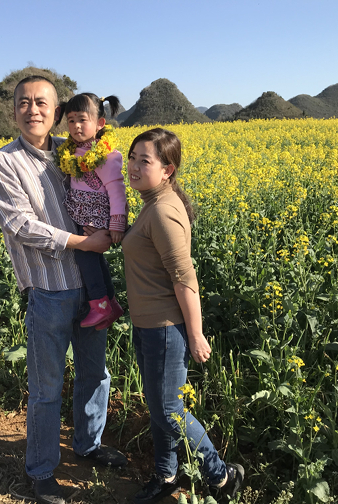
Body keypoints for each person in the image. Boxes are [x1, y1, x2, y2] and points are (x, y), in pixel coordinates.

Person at [0, 75, 127, 504]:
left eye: (42, 103)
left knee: (95, 373)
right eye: (24, 103)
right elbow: (21, 225)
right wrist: (87, 242)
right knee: (47, 387)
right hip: (50, 290)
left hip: (92, 285)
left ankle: (88, 444)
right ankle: (42, 469)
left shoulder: (74, 152)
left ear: (58, 112)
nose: (34, 110)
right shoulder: (3, 162)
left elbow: (112, 184)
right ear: (14, 112)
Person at [121, 128, 244, 504]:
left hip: (164, 329)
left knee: (170, 410)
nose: (134, 166)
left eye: (145, 160)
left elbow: (184, 277)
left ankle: (222, 475)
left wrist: (196, 334)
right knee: (160, 408)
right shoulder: (153, 202)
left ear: (168, 169)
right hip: (148, 325)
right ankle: (166, 474)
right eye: (132, 157)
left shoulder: (162, 210)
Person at [54, 92, 126, 329]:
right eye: (71, 120)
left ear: (100, 124)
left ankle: (99, 305)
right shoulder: (71, 151)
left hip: (97, 215)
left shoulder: (104, 155)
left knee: (85, 256)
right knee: (93, 258)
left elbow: (116, 189)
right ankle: (111, 304)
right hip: (82, 211)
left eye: (82, 120)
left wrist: (116, 222)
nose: (76, 126)